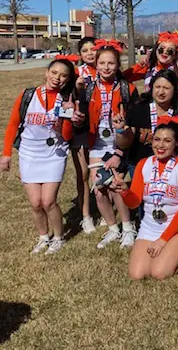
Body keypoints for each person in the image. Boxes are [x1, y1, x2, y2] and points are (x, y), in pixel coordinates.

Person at [1, 58, 82, 254]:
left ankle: (58, 237)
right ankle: (43, 237)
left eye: (63, 75)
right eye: (54, 73)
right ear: (47, 73)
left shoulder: (66, 100)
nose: (57, 78)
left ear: (68, 79)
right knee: (35, 203)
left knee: (48, 201)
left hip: (54, 153)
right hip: (29, 153)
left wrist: (66, 122)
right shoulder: (28, 95)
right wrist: (6, 154)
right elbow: (13, 124)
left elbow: (67, 136)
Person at [111, 121, 178, 280]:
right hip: (151, 225)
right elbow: (134, 202)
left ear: (176, 142)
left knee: (158, 272)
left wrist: (163, 240)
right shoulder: (144, 164)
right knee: (137, 275)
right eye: (157, 140)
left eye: (167, 141)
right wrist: (125, 192)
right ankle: (169, 253)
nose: (161, 145)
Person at [84, 40, 138, 249]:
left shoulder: (127, 89)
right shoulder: (88, 89)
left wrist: (118, 151)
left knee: (116, 185)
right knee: (99, 189)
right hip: (97, 145)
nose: (106, 67)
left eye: (111, 63)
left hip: (120, 142)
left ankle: (128, 227)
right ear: (96, 64)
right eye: (102, 63)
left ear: (118, 65)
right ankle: (113, 228)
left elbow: (132, 124)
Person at [116, 69, 178, 173]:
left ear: (175, 90)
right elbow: (125, 144)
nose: (161, 92)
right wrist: (121, 131)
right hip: (139, 164)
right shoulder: (138, 109)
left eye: (166, 88)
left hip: (169, 167)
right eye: (157, 87)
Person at [73, 36, 97, 233]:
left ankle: (104, 209)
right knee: (83, 173)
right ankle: (86, 215)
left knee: (99, 169)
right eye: (85, 50)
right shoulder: (76, 73)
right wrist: (78, 88)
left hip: (101, 126)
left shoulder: (107, 68)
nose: (90, 53)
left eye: (93, 49)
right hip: (80, 127)